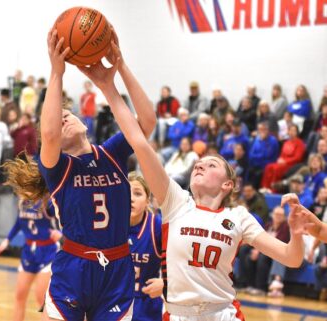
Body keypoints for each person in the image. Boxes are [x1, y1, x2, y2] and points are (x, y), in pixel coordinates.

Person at [86, 43, 307, 321]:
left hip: (223, 314)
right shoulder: (175, 202)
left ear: (228, 184)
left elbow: (291, 258)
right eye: (198, 163)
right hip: (179, 315)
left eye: (211, 164)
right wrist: (110, 85)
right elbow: (139, 141)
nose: (200, 163)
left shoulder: (238, 217)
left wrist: (296, 234)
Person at [36, 28, 156, 320]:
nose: (63, 117)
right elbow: (49, 134)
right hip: (74, 267)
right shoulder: (58, 168)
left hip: (117, 269)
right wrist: (57, 73)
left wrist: (118, 71)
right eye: (59, 117)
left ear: (84, 122)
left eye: (68, 113)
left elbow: (148, 121)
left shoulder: (112, 153)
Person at [0, 156, 61, 321]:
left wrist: (62, 234)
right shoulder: (23, 201)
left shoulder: (47, 201)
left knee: (41, 301)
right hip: (28, 252)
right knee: (19, 297)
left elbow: (66, 219)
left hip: (48, 252)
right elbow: (19, 222)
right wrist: (7, 240)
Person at [128, 172, 163, 321]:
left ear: (147, 201)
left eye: (137, 194)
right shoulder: (108, 224)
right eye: (125, 192)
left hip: (145, 305)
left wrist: (166, 283)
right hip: (112, 302)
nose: (130, 199)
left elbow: (182, 260)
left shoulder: (157, 226)